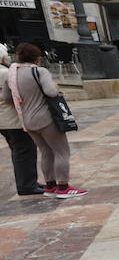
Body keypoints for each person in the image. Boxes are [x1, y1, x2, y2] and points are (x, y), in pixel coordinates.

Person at [6, 44, 85, 198]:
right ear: (37, 58)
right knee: (62, 152)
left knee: (45, 151)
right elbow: (50, 92)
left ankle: (50, 186)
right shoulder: (40, 71)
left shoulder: (12, 74)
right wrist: (56, 86)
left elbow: (8, 98)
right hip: (46, 119)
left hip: (27, 120)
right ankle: (63, 188)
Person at [0, 45, 41, 196]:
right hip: (13, 119)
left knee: (18, 151)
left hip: (3, 121)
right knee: (25, 151)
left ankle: (27, 183)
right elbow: (11, 96)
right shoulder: (6, 73)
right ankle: (27, 185)